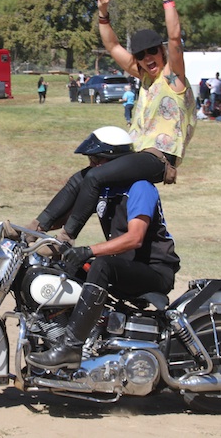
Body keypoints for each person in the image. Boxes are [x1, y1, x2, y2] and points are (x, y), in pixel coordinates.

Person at [23, 0, 195, 249]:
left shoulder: (173, 78)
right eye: (141, 55)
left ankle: (65, 238)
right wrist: (103, 12)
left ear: (161, 51)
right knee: (80, 178)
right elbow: (112, 44)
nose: (148, 57)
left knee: (97, 177)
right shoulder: (145, 79)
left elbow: (175, 38)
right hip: (138, 153)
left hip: (159, 158)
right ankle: (33, 229)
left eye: (153, 51)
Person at [25, 127, 181, 370]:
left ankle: (71, 347)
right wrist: (31, 231)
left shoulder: (140, 188)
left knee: (101, 264)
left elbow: (135, 239)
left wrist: (89, 250)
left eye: (98, 160)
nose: (93, 165)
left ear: (116, 162)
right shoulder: (105, 189)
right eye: (91, 160)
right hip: (125, 266)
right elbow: (64, 216)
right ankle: (50, 337)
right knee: (60, 268)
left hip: (154, 271)